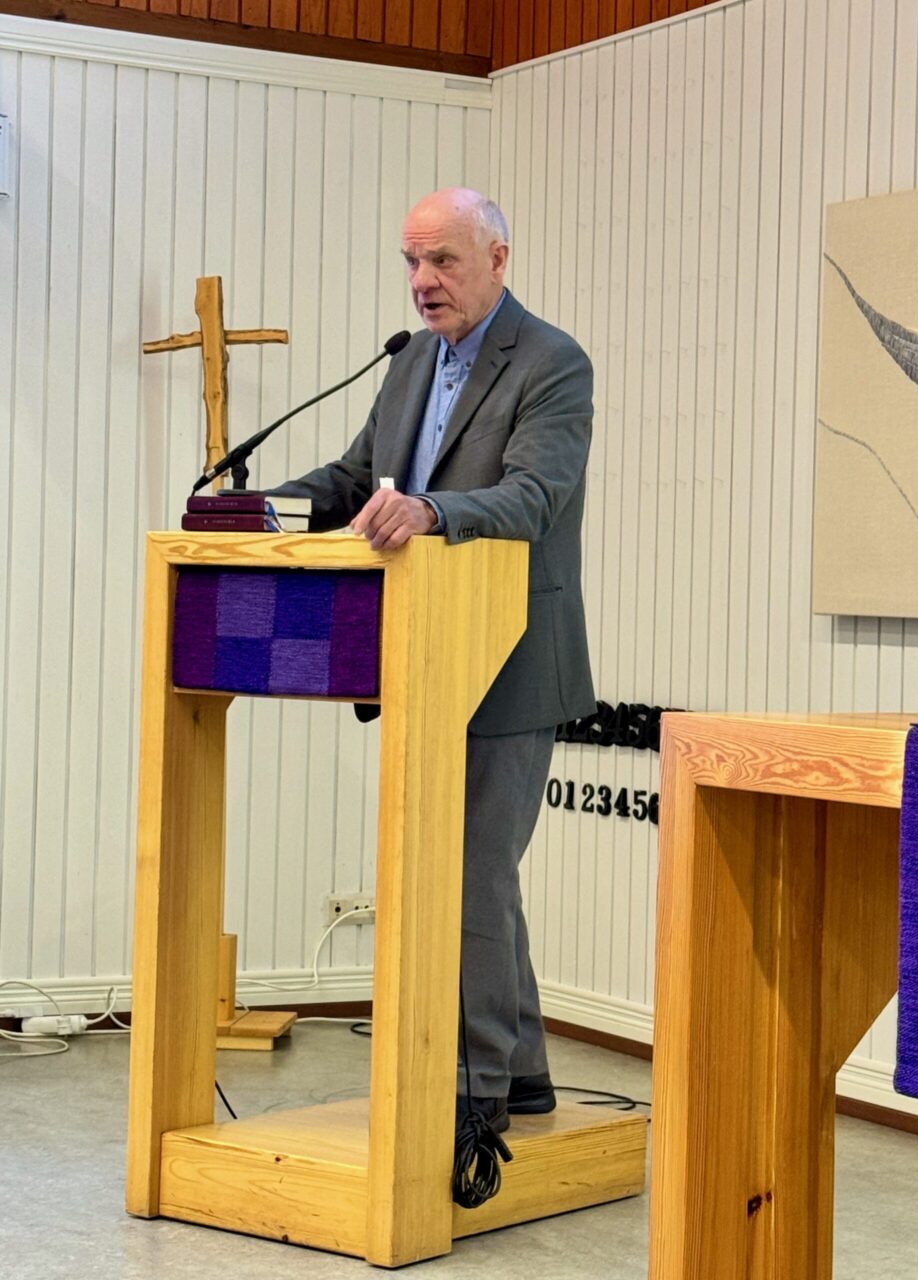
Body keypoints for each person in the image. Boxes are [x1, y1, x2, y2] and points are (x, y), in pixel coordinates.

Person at [268, 187, 595, 1134]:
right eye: (411, 261)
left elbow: (535, 496)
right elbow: (354, 479)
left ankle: (475, 1089)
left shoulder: (552, 362)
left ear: (498, 258)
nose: (422, 281)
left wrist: (432, 510)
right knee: (471, 870)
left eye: (443, 260)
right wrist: (261, 509)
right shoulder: (412, 363)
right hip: (423, 656)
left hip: (511, 659)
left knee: (470, 871)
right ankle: (522, 1070)